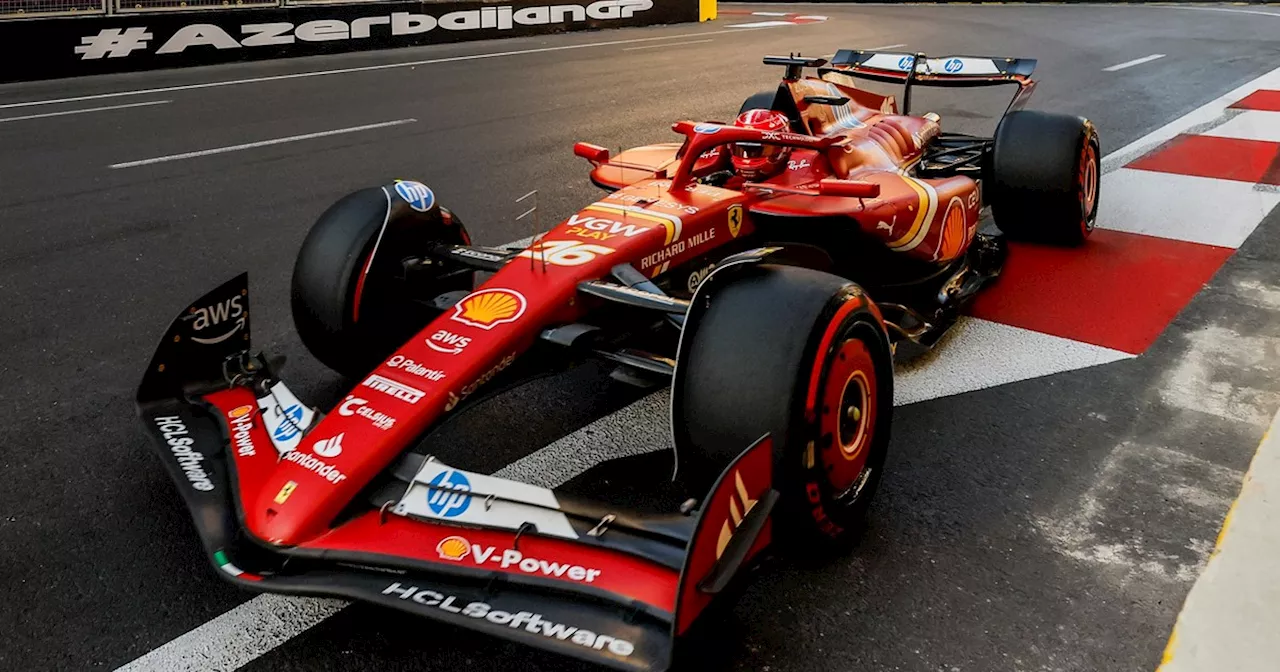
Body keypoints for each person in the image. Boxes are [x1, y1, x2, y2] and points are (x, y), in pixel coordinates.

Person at [699, 109, 793, 187]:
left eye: (757, 150)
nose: (747, 157)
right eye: (742, 148)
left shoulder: (802, 167)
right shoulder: (719, 152)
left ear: (781, 149)